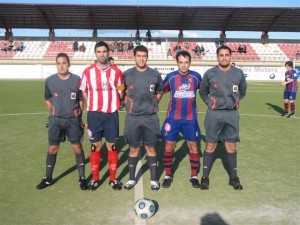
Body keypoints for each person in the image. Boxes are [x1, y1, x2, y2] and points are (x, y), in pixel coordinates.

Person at [36, 53, 87, 190]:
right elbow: (47, 99)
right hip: (55, 121)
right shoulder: (50, 80)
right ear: (56, 65)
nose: (61, 65)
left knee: (77, 148)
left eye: (64, 63)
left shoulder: (77, 80)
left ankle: (82, 178)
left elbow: (81, 100)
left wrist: (77, 114)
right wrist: (54, 111)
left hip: (73, 121)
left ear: (69, 64)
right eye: (59, 63)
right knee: (52, 148)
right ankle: (47, 178)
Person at [199, 45, 247, 190]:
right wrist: (209, 102)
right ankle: (205, 177)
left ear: (230, 56)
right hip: (214, 114)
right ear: (217, 57)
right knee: (210, 145)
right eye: (221, 55)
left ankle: (234, 178)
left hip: (232, 114)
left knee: (231, 146)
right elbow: (202, 92)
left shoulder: (238, 73)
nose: (224, 57)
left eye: (227, 55)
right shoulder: (210, 73)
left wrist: (236, 101)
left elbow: (243, 91)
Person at [79, 41, 125, 191]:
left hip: (111, 114)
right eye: (99, 52)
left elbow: (121, 90)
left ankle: (112, 178)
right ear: (95, 53)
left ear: (108, 53)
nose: (102, 54)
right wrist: (90, 105)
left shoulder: (117, 72)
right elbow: (84, 91)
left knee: (112, 146)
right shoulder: (87, 72)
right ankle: (95, 179)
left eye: (104, 51)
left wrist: (115, 100)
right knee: (95, 146)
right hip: (94, 115)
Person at [123, 45, 164, 191]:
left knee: (150, 148)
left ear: (147, 57)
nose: (141, 58)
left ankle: (153, 179)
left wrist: (154, 103)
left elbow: (160, 91)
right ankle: (131, 178)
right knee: (133, 148)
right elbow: (122, 93)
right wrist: (128, 104)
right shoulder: (127, 74)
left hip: (150, 118)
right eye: (139, 55)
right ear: (134, 56)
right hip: (133, 118)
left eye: (144, 56)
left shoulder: (154, 74)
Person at [160, 50, 202, 189]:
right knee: (169, 146)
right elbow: (161, 90)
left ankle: (194, 176)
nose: (183, 65)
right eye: (181, 62)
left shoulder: (196, 77)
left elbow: (204, 90)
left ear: (190, 63)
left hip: (190, 119)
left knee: (193, 146)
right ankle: (168, 175)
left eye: (186, 62)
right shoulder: (171, 77)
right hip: (173, 118)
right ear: (177, 63)